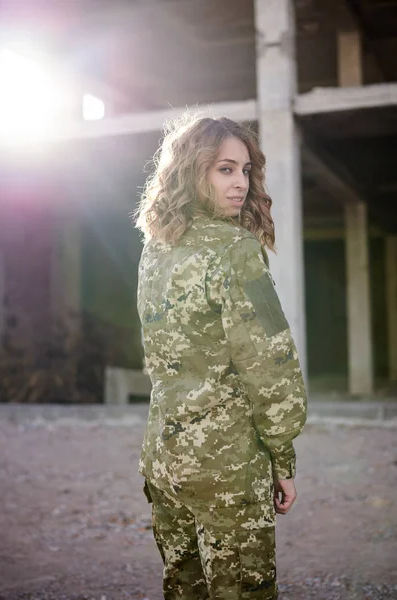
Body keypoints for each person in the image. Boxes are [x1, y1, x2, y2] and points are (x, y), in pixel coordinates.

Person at [134, 113, 307, 600]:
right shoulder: (236, 248)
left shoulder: (156, 247)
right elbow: (271, 365)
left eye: (246, 170)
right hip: (225, 464)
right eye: (224, 169)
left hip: (164, 457)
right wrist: (283, 457)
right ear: (193, 171)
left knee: (184, 590)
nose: (240, 184)